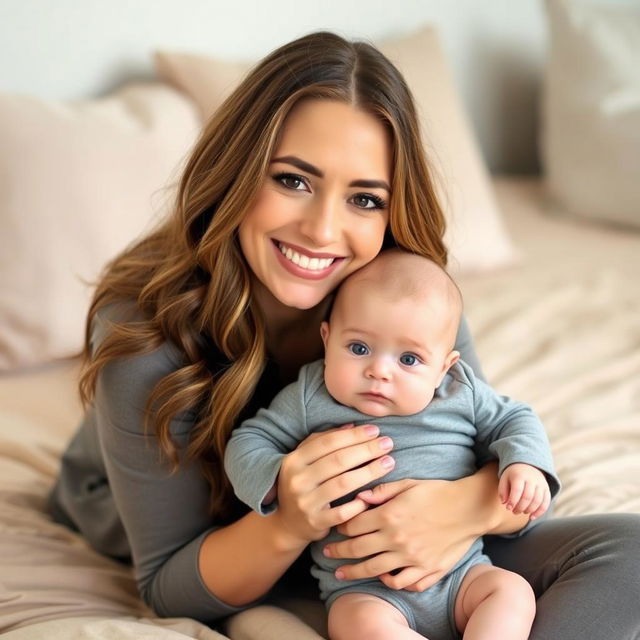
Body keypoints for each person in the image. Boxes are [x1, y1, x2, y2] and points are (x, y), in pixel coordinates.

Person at [48, 30, 640, 640]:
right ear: (236, 172)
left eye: (363, 198)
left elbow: (479, 435)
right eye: (293, 181)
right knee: (275, 608)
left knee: (632, 558)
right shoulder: (144, 337)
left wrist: (463, 508)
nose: (322, 229)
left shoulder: (406, 298)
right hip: (223, 539)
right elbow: (167, 586)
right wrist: (288, 525)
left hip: (368, 536)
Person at [224, 249, 559, 640]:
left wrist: (523, 464)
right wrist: (280, 481)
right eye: (359, 348)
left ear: (444, 367)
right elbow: (248, 440)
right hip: (364, 590)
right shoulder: (309, 396)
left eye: (409, 359)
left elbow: (514, 418)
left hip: (460, 574)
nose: (379, 371)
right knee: (357, 625)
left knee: (511, 592)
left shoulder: (458, 391)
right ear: (327, 339)